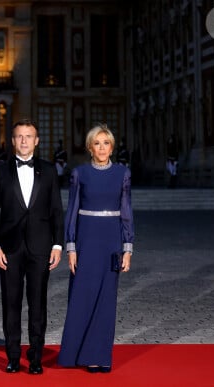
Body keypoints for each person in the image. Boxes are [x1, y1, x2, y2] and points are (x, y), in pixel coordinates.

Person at [0, 118, 64, 375]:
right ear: (13, 140)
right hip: (9, 249)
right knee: (11, 304)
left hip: (41, 247)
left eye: (28, 136)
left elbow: (56, 211)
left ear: (36, 140)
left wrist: (58, 244)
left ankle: (36, 357)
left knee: (38, 304)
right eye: (19, 136)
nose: (24, 141)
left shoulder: (49, 170)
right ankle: (13, 356)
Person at [57, 123, 134, 373]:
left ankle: (100, 355)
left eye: (107, 143)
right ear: (90, 147)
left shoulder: (123, 173)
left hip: (111, 241)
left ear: (112, 147)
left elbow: (126, 212)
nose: (102, 147)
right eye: (97, 143)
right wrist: (71, 248)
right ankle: (77, 354)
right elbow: (71, 212)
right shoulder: (80, 173)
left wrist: (128, 248)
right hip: (85, 241)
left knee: (106, 299)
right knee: (82, 297)